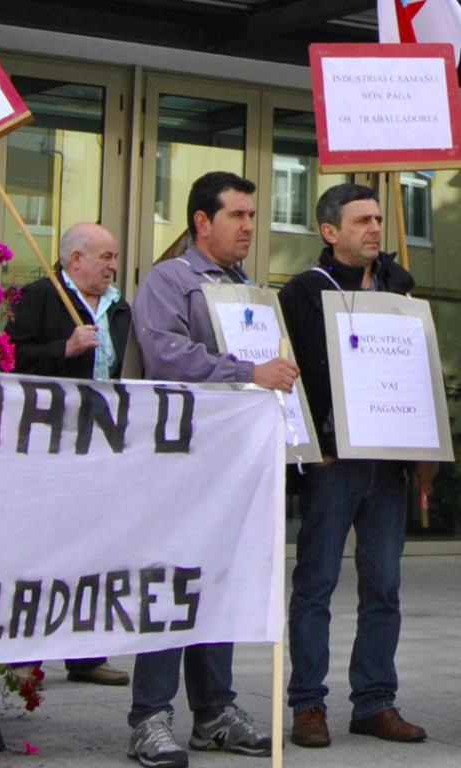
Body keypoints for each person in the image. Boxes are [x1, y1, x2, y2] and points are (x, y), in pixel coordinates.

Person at [128, 171, 297, 768]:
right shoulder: (170, 279)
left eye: (254, 215)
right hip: (176, 460)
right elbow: (165, 352)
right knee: (170, 583)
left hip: (229, 466)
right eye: (238, 215)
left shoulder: (246, 289)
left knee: (215, 584)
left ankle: (215, 713)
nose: (250, 226)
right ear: (203, 221)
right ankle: (149, 716)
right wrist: (246, 374)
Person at [278, 183, 430, 748]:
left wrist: (427, 451)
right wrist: (305, 448)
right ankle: (307, 705)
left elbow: (419, 370)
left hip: (390, 461)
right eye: (362, 220)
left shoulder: (400, 286)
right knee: (316, 582)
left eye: (377, 219)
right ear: (329, 232)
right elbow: (289, 375)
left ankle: (374, 702)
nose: (375, 228)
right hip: (332, 460)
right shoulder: (301, 293)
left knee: (384, 585)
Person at [4, 220, 131, 687]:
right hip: (48, 442)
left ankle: (87, 653)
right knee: (38, 549)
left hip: (103, 443)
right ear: (74, 259)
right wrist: (64, 347)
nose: (113, 267)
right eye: (105, 258)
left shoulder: (120, 309)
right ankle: (21, 651)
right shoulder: (39, 297)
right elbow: (8, 357)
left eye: (115, 258)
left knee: (93, 549)